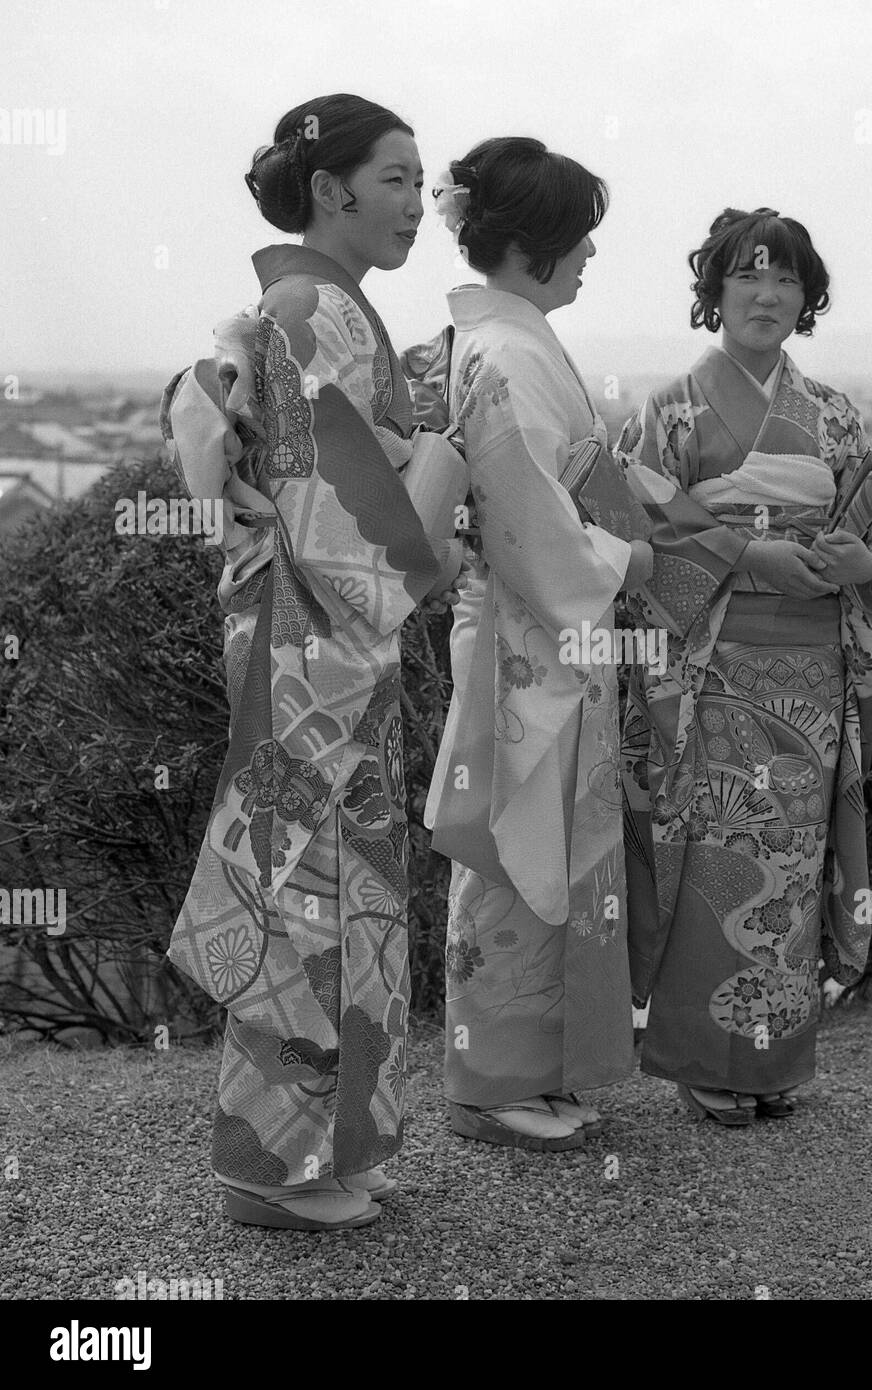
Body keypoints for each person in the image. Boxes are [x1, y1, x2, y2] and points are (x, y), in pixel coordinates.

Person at [164, 94, 462, 1229]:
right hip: (310, 629)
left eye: (418, 182)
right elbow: (332, 512)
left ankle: (331, 1147)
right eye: (394, 180)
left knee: (351, 885)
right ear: (330, 189)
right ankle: (264, 1171)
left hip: (327, 632)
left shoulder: (324, 308)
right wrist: (435, 468)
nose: (414, 207)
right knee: (299, 890)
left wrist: (414, 470)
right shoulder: (310, 310)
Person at [617, 207, 872, 1124]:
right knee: (720, 855)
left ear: (807, 297)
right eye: (747, 275)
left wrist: (866, 565)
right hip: (716, 668)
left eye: (786, 280)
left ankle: (775, 1057)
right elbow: (640, 535)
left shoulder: (833, 416)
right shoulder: (670, 411)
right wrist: (746, 558)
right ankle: (710, 1056)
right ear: (716, 291)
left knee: (789, 862)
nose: (768, 294)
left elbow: (871, 533)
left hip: (812, 667)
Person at [425, 137, 654, 1149]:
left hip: (542, 628)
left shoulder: (504, 339)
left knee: (545, 839)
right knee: (515, 842)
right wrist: (621, 560)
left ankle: (536, 1063)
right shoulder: (510, 352)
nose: (592, 256)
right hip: (532, 624)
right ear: (539, 242)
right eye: (582, 238)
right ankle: (490, 1079)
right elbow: (524, 515)